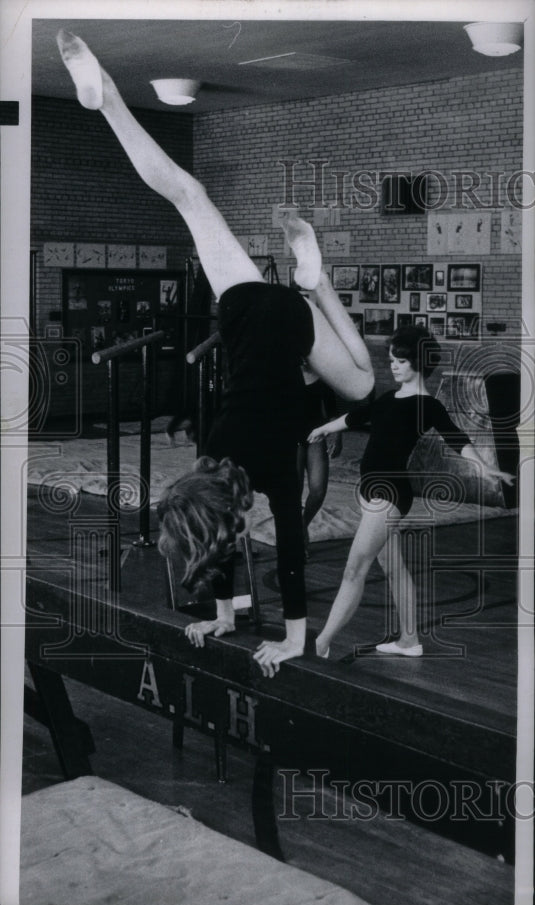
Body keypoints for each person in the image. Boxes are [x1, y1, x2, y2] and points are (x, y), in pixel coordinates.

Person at [56, 30, 375, 676]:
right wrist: (227, 618)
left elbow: (287, 547)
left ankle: (315, 280)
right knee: (187, 195)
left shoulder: (255, 479)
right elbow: (220, 529)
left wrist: (289, 636)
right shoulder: (213, 452)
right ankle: (108, 101)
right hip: (241, 310)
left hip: (291, 324)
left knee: (366, 386)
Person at [308, 326, 514, 659]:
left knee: (353, 568)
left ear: (417, 363)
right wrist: (322, 428)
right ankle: (409, 640)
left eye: (400, 361)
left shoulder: (426, 406)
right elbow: (353, 417)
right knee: (394, 569)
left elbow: (456, 438)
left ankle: (322, 642)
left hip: (388, 494)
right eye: (392, 360)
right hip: (370, 492)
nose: (393, 366)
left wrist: (485, 468)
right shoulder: (389, 398)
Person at [297, 363, 343, 557]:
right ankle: (297, 538)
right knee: (294, 492)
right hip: (291, 437)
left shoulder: (322, 374)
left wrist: (337, 435)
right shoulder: (283, 372)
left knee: (318, 490)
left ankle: (301, 526)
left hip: (316, 434)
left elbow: (332, 409)